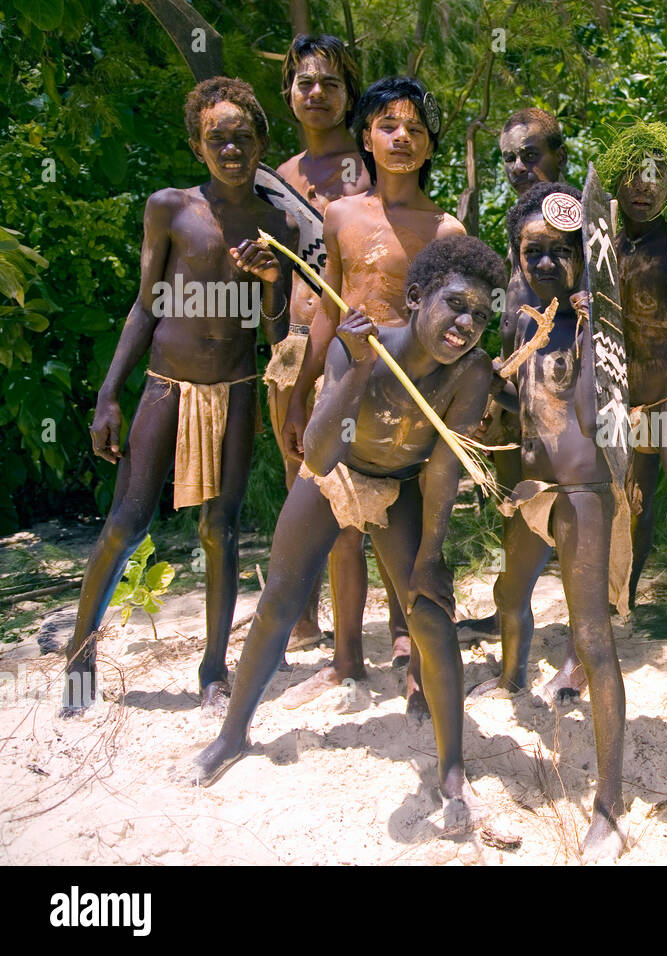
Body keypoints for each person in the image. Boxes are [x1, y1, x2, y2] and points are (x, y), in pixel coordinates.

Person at [188, 236, 502, 822]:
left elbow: (441, 467)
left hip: (401, 483)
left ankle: (452, 767)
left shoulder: (471, 372)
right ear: (415, 297)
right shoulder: (362, 344)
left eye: (481, 315)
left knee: (431, 612)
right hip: (332, 474)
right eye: (456, 304)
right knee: (279, 602)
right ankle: (233, 735)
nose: (467, 323)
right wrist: (359, 367)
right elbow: (320, 447)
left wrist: (431, 553)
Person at [62, 77, 294, 714]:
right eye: (216, 138)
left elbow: (275, 336)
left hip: (238, 389)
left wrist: (273, 281)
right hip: (167, 387)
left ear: (260, 142)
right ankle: (79, 664)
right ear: (197, 145)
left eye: (242, 137)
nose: (230, 148)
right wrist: (109, 394)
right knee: (127, 523)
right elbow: (146, 305)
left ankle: (214, 670)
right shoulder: (169, 208)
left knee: (220, 529)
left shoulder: (275, 227)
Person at [281, 75, 466, 712]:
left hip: (412, 399)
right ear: (366, 137)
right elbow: (330, 308)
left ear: (431, 145)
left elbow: (454, 325)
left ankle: (416, 665)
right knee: (341, 529)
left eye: (415, 129)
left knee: (405, 533)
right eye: (388, 126)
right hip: (345, 386)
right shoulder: (340, 216)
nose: (402, 138)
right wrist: (304, 388)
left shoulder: (446, 231)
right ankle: (345, 663)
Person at [543, 122, 667, 695]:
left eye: (657, 176)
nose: (644, 187)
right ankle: (589, 654)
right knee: (625, 526)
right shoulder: (605, 251)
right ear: (617, 184)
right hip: (624, 401)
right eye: (633, 176)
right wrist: (587, 305)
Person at [472, 182, 628, 860]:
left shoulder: (601, 323)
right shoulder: (518, 320)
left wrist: (599, 325)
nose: (546, 262)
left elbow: (606, 407)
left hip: (585, 493)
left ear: (584, 256)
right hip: (529, 491)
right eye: (533, 251)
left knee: (592, 635)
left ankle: (612, 806)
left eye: (562, 252)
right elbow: (510, 402)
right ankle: (511, 678)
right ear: (515, 256)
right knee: (509, 595)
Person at [264, 33, 382, 653]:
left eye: (330, 84)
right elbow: (284, 275)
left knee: (352, 489)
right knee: (298, 486)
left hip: (351, 347)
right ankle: (304, 621)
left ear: (348, 95)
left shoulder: (369, 167)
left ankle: (364, 643)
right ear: (288, 93)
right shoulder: (278, 178)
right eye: (305, 82)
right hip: (293, 346)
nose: (316, 93)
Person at [463, 108, 570, 637]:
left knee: (569, 508)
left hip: (562, 394)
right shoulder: (517, 221)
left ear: (559, 157)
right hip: (513, 390)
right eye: (509, 158)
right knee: (515, 506)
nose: (519, 167)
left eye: (531, 155)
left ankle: (583, 635)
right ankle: (511, 614)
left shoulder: (575, 220)